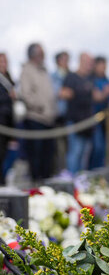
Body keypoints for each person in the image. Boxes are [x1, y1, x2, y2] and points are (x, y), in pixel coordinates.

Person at [20, 43, 57, 181]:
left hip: (48, 119)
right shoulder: (27, 71)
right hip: (35, 119)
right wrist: (41, 106)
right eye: (41, 53)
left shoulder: (44, 71)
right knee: (36, 157)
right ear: (34, 55)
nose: (44, 56)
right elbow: (26, 95)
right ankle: (36, 187)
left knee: (48, 157)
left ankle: (46, 186)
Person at [61, 52, 94, 174]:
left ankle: (80, 183)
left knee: (84, 156)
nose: (89, 65)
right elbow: (63, 93)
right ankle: (71, 182)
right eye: (87, 62)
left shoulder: (90, 79)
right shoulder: (71, 77)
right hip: (75, 122)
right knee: (75, 153)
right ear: (80, 61)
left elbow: (96, 97)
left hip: (87, 124)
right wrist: (75, 93)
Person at [89, 56, 109, 169]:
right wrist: (105, 93)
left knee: (103, 148)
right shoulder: (91, 80)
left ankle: (99, 172)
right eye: (101, 65)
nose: (104, 68)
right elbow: (97, 97)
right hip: (93, 119)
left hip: (105, 121)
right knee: (96, 147)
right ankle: (93, 171)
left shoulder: (106, 80)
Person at [51, 51, 70, 172]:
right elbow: (59, 93)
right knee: (59, 150)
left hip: (69, 118)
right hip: (58, 118)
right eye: (65, 59)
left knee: (68, 149)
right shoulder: (52, 77)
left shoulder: (70, 75)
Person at [0, 53, 16, 185]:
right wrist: (8, 96)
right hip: (1, 123)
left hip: (8, 125)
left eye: (5, 62)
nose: (4, 65)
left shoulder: (8, 80)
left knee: (6, 156)